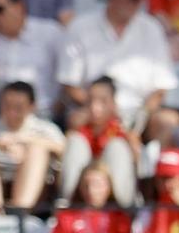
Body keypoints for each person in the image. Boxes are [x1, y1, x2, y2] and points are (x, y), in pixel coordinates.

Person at [58, 0, 177, 130]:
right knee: (76, 120)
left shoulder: (151, 28)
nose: (140, 2)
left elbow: (162, 87)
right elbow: (69, 84)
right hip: (92, 109)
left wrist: (141, 116)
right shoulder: (80, 27)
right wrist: (100, 107)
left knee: (168, 121)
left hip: (140, 112)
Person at [0, 80, 65, 209]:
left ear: (32, 107)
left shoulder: (46, 128)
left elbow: (64, 150)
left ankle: (20, 211)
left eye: (18, 108)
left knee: (37, 150)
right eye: (7, 106)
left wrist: (26, 142)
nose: (11, 112)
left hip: (37, 193)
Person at [60, 77, 140, 205]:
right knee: (75, 142)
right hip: (82, 197)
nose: (95, 107)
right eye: (90, 100)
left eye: (103, 101)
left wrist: (132, 143)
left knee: (117, 146)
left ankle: (120, 210)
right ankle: (68, 207)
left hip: (112, 201)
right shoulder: (79, 131)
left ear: (113, 103)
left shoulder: (123, 131)